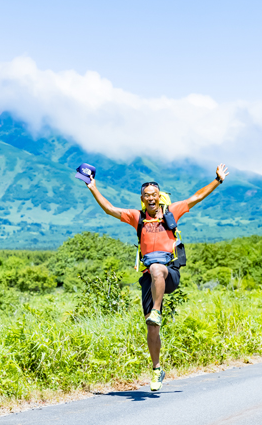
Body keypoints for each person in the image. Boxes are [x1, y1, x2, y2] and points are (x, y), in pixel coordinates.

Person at [85, 163, 229, 391]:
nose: (150, 198)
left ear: (159, 196)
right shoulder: (137, 217)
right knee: (152, 329)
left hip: (169, 273)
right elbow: (110, 209)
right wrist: (92, 187)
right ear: (142, 199)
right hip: (149, 280)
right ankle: (156, 369)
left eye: (154, 195)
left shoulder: (172, 213)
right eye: (146, 196)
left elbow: (196, 197)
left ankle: (156, 310)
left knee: (157, 269)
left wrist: (217, 180)